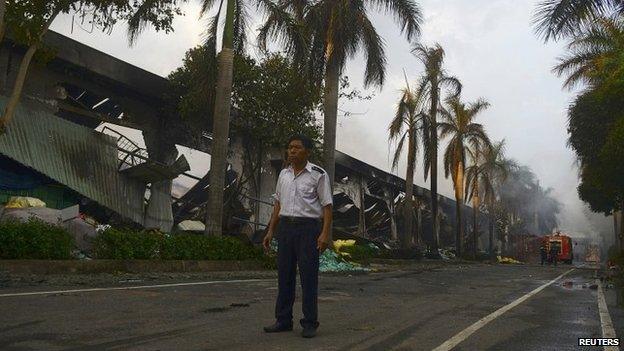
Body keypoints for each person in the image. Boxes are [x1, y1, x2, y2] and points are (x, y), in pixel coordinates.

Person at [262, 134, 333, 339]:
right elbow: (278, 204)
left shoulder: (318, 175)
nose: (292, 150)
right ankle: (283, 320)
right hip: (286, 228)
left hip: (308, 230)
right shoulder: (283, 174)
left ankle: (309, 323)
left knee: (308, 278)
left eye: (297, 147)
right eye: (290, 147)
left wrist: (324, 234)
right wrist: (270, 230)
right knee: (284, 277)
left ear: (307, 152)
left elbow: (327, 207)